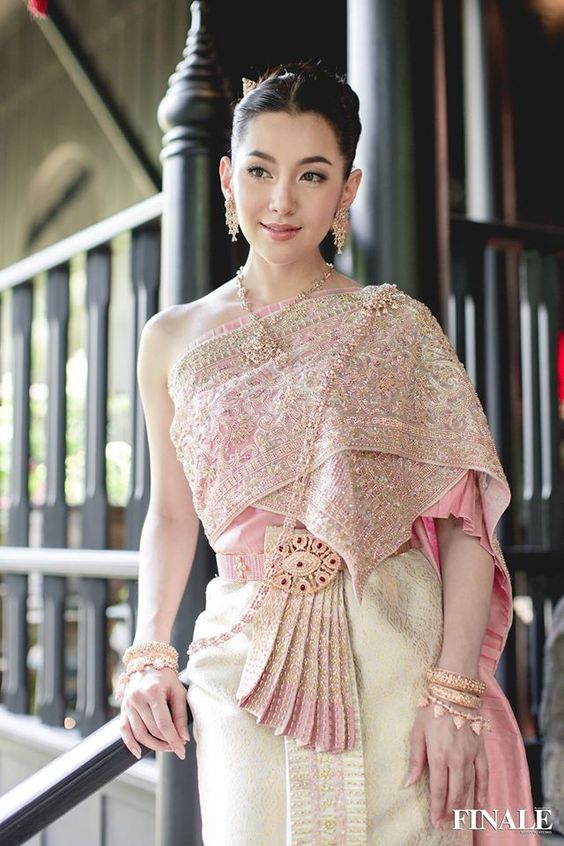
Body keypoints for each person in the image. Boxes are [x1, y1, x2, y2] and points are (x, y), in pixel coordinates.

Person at [117, 61, 540, 845]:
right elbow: (171, 516)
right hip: (243, 665)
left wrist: (452, 692)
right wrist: (148, 652)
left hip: (396, 656)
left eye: (311, 175)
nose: (281, 200)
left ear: (348, 188)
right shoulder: (169, 340)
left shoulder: (394, 327)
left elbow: (465, 522)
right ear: (227, 177)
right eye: (260, 171)